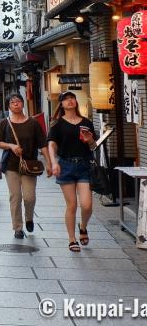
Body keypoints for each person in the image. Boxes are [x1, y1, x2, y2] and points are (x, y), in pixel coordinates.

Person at [0, 94, 52, 239]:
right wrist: (11, 146)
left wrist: (49, 163)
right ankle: (18, 227)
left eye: (18, 101)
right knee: (15, 197)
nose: (15, 104)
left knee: (29, 197)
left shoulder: (33, 123)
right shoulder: (4, 123)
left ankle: (29, 218)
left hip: (29, 165)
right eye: (12, 102)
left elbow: (43, 144)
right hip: (11, 165)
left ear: (23, 104)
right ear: (8, 106)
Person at [47, 91, 97, 253]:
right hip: (66, 165)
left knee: (87, 205)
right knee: (72, 205)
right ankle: (72, 239)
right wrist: (54, 162)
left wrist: (89, 140)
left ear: (76, 102)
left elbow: (94, 146)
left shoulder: (86, 122)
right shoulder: (57, 124)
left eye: (72, 98)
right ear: (61, 104)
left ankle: (83, 226)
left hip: (84, 165)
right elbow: (52, 145)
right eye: (66, 99)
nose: (70, 101)